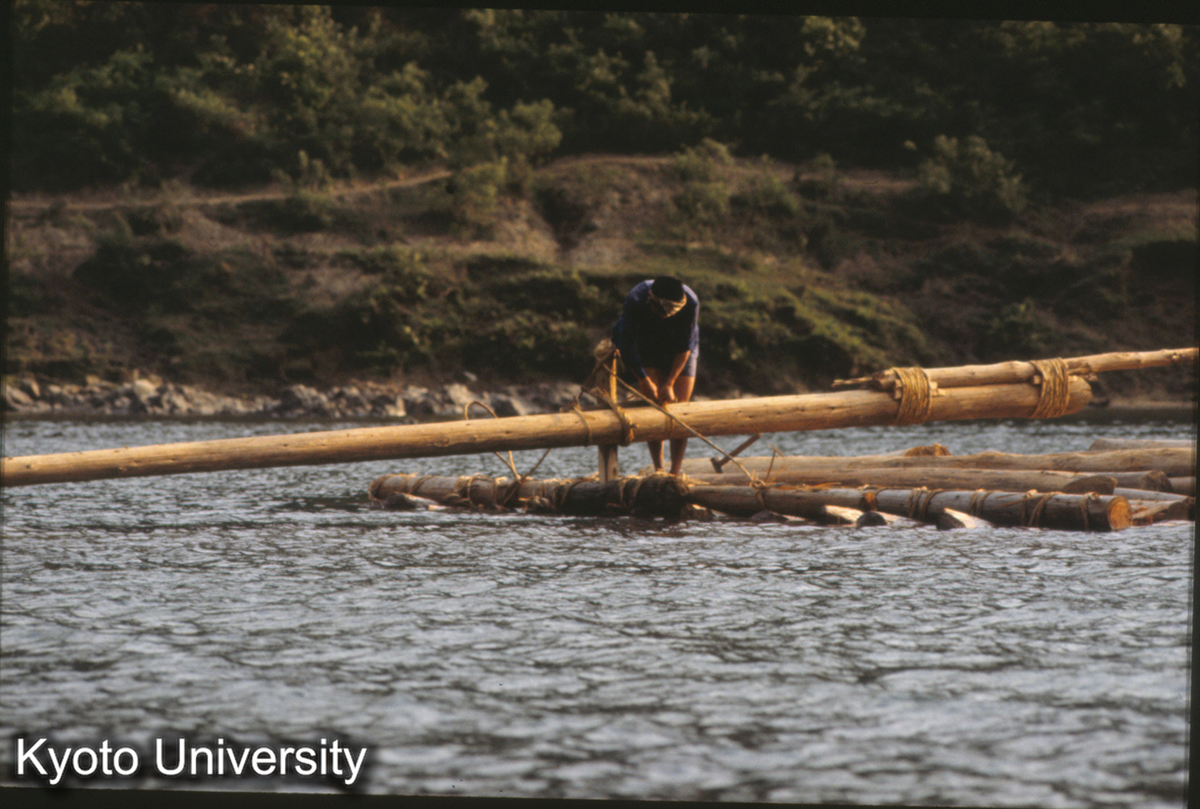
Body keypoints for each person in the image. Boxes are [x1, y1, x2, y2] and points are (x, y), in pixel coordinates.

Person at [611, 276, 699, 476]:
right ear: (653, 300)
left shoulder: (691, 302)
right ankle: (659, 469)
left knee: (679, 409)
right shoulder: (636, 299)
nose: (664, 316)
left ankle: (675, 473)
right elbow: (626, 345)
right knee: (654, 404)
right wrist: (644, 379)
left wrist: (670, 382)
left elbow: (685, 347)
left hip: (680, 346)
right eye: (660, 311)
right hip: (649, 342)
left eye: (668, 313)